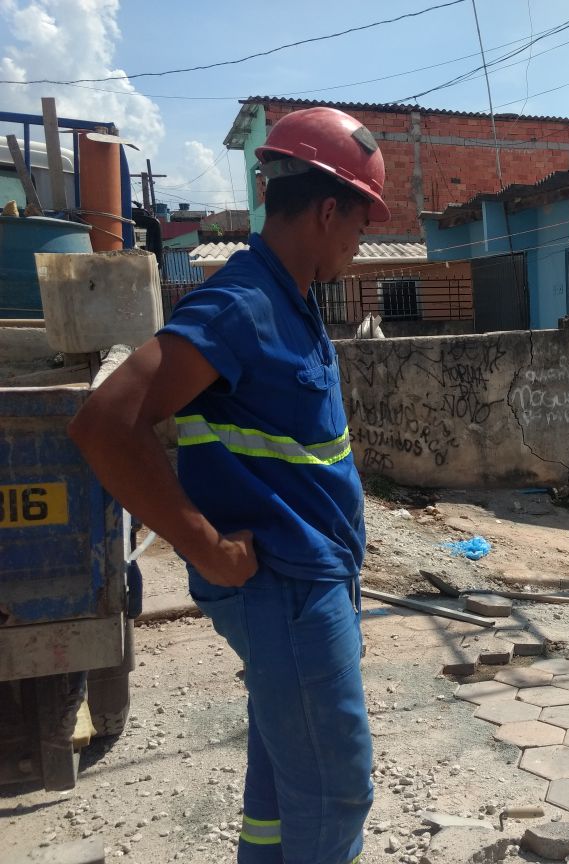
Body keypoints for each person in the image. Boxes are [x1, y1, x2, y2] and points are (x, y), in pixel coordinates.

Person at [69, 106, 391, 864]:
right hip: (285, 588)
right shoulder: (244, 304)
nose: (361, 240)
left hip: (311, 580)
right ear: (325, 209)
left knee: (285, 773)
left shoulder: (293, 297)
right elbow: (106, 423)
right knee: (337, 787)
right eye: (362, 222)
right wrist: (207, 548)